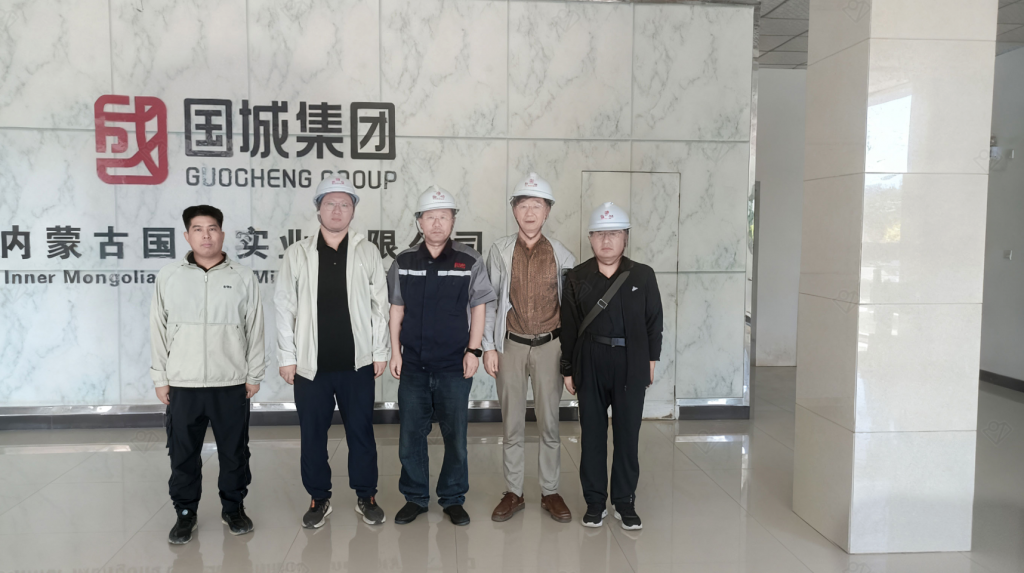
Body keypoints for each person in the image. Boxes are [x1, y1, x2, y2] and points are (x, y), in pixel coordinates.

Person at [275, 177, 390, 528]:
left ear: (353, 210)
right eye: (330, 204)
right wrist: (287, 357)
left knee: (361, 432)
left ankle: (366, 495)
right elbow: (284, 307)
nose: (337, 210)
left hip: (358, 363)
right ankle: (318, 498)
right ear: (318, 209)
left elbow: (380, 306)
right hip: (311, 367)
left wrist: (380, 350)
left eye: (345, 204)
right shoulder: (298, 253)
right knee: (313, 435)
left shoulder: (367, 251)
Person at [150, 204, 265, 544]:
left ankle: (234, 508)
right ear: (187, 236)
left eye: (212, 228)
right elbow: (158, 329)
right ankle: (185, 513)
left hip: (230, 382)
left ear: (222, 234)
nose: (206, 235)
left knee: (234, 452)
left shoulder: (242, 276)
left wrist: (254, 374)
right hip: (183, 383)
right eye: (198, 229)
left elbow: (255, 327)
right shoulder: (169, 276)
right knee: (183, 453)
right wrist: (160, 377)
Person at [387, 185, 497, 526]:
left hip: (453, 365)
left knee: (456, 437)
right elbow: (396, 310)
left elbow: (479, 307)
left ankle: (452, 498)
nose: (437, 223)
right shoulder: (404, 262)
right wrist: (395, 352)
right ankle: (415, 497)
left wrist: (474, 350)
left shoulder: (469, 260)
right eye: (430, 217)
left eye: (444, 217)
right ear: (419, 222)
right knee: (410, 437)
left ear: (453, 221)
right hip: (413, 365)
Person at [560, 202, 663, 531]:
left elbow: (654, 322)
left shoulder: (642, 275)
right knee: (592, 435)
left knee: (627, 434)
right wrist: (567, 369)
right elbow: (569, 326)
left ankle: (624, 501)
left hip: (631, 362)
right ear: (590, 239)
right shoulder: (577, 277)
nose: (607, 240)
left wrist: (651, 361)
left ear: (626, 238)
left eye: (614, 233)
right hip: (590, 360)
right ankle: (594, 502)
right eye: (600, 234)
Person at [483, 172, 576, 523]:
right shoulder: (500, 251)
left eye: (537, 205)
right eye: (523, 205)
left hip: (550, 346)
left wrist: (570, 358)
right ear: (514, 210)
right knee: (512, 424)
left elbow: (572, 310)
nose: (530, 212)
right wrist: (489, 347)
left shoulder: (562, 256)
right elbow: (490, 301)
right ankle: (514, 491)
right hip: (511, 345)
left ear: (547, 211)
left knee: (549, 423)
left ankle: (550, 491)